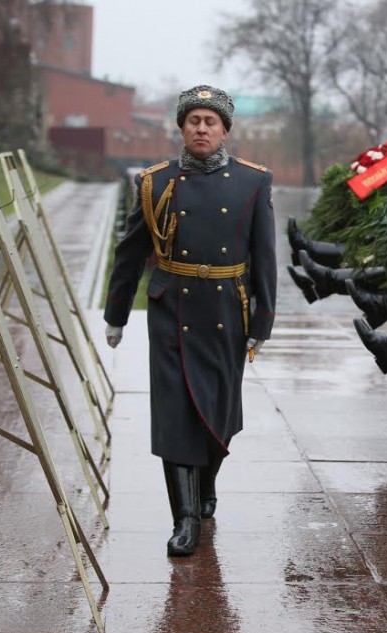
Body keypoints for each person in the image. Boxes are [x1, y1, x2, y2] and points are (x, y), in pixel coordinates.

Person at [103, 84, 277, 557]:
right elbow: (131, 251)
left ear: (224, 131)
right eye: (193, 120)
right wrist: (116, 315)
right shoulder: (156, 181)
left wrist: (262, 321)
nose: (202, 128)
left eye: (211, 122)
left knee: (218, 419)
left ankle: (204, 483)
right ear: (181, 127)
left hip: (226, 311)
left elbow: (264, 258)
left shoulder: (252, 181)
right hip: (171, 309)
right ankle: (184, 519)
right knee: (177, 414)